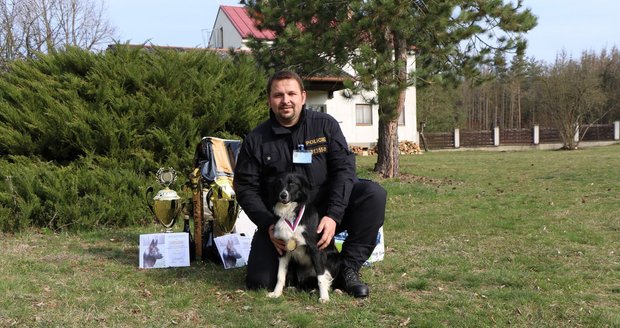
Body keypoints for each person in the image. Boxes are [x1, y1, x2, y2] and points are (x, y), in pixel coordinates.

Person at [233, 70, 386, 298]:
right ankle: (298, 271)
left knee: (373, 194)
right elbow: (245, 188)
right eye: (278, 95)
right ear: (269, 99)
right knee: (259, 281)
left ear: (303, 97)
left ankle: (348, 269)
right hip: (282, 221)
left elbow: (344, 170)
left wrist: (334, 215)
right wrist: (269, 225)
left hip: (323, 212)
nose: (286, 100)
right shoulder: (256, 140)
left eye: (291, 93)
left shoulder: (325, 126)